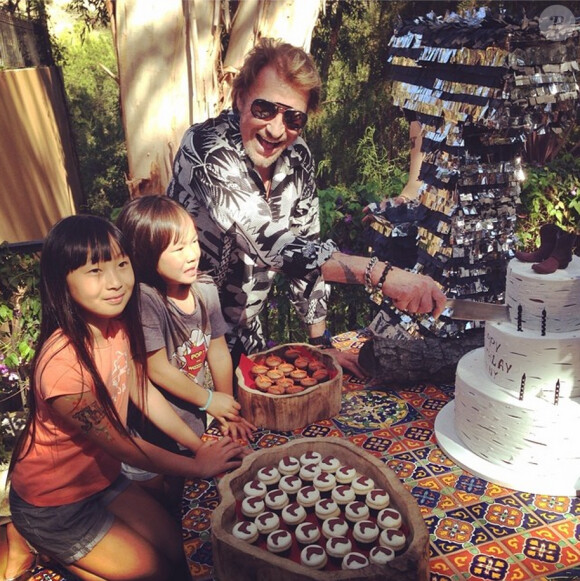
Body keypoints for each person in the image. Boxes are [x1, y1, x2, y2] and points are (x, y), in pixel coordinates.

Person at [167, 38, 446, 376]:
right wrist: (381, 274)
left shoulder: (298, 158)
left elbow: (307, 250)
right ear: (240, 99)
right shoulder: (206, 147)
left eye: (293, 118)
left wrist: (322, 343)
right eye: (264, 109)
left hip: (246, 337)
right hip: (183, 341)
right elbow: (269, 244)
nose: (275, 129)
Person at [7, 215, 246, 581]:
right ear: (61, 281)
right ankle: (48, 546)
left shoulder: (117, 326)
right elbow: (123, 444)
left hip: (103, 480)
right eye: (95, 271)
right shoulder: (62, 364)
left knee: (181, 552)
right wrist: (198, 467)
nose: (116, 282)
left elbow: (141, 389)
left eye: (121, 264)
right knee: (153, 573)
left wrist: (197, 447)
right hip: (54, 505)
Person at [116, 196, 256, 502]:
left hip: (192, 422)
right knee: (164, 504)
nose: (192, 254)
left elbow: (217, 349)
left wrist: (226, 406)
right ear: (144, 253)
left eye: (193, 241)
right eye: (177, 248)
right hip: (154, 433)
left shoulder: (204, 288)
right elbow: (157, 369)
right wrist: (209, 400)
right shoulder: (146, 299)